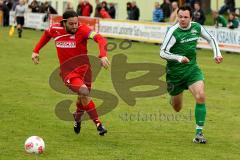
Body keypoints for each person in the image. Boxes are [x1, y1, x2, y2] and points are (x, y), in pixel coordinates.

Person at [31, 10, 110, 136]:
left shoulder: (83, 30)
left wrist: (102, 55)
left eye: (76, 23)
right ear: (64, 22)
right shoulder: (55, 29)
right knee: (84, 92)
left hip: (86, 71)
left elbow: (100, 39)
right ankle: (99, 124)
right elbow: (46, 35)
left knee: (82, 96)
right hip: (69, 73)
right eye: (71, 24)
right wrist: (36, 51)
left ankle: (77, 117)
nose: (74, 26)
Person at [160, 5, 223, 144]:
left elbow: (211, 39)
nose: (182, 20)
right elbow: (162, 52)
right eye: (180, 17)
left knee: (201, 96)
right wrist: (179, 58)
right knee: (177, 108)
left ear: (191, 17)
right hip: (175, 74)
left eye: (185, 17)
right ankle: (173, 98)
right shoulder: (173, 31)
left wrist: (217, 54)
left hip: (192, 70)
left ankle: (199, 133)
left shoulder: (196, 27)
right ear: (177, 16)